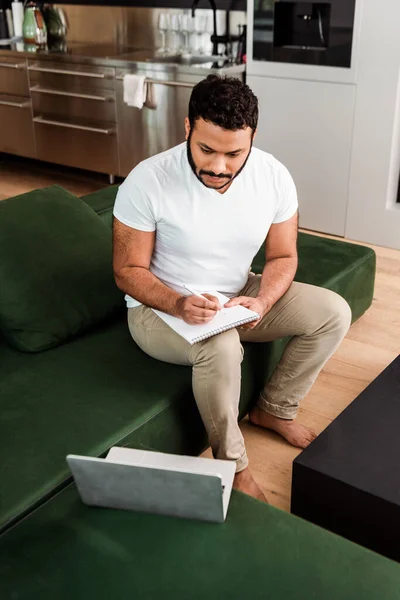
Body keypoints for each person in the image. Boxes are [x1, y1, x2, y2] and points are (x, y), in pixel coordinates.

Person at [112, 75, 351, 502]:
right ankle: (233, 469)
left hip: (237, 297)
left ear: (252, 138)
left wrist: (261, 300)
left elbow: (283, 257)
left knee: (333, 311)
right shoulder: (147, 181)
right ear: (188, 128)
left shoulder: (274, 176)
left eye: (234, 153)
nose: (219, 167)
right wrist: (179, 302)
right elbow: (128, 271)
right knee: (221, 346)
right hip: (159, 309)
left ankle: (273, 409)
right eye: (206, 149)